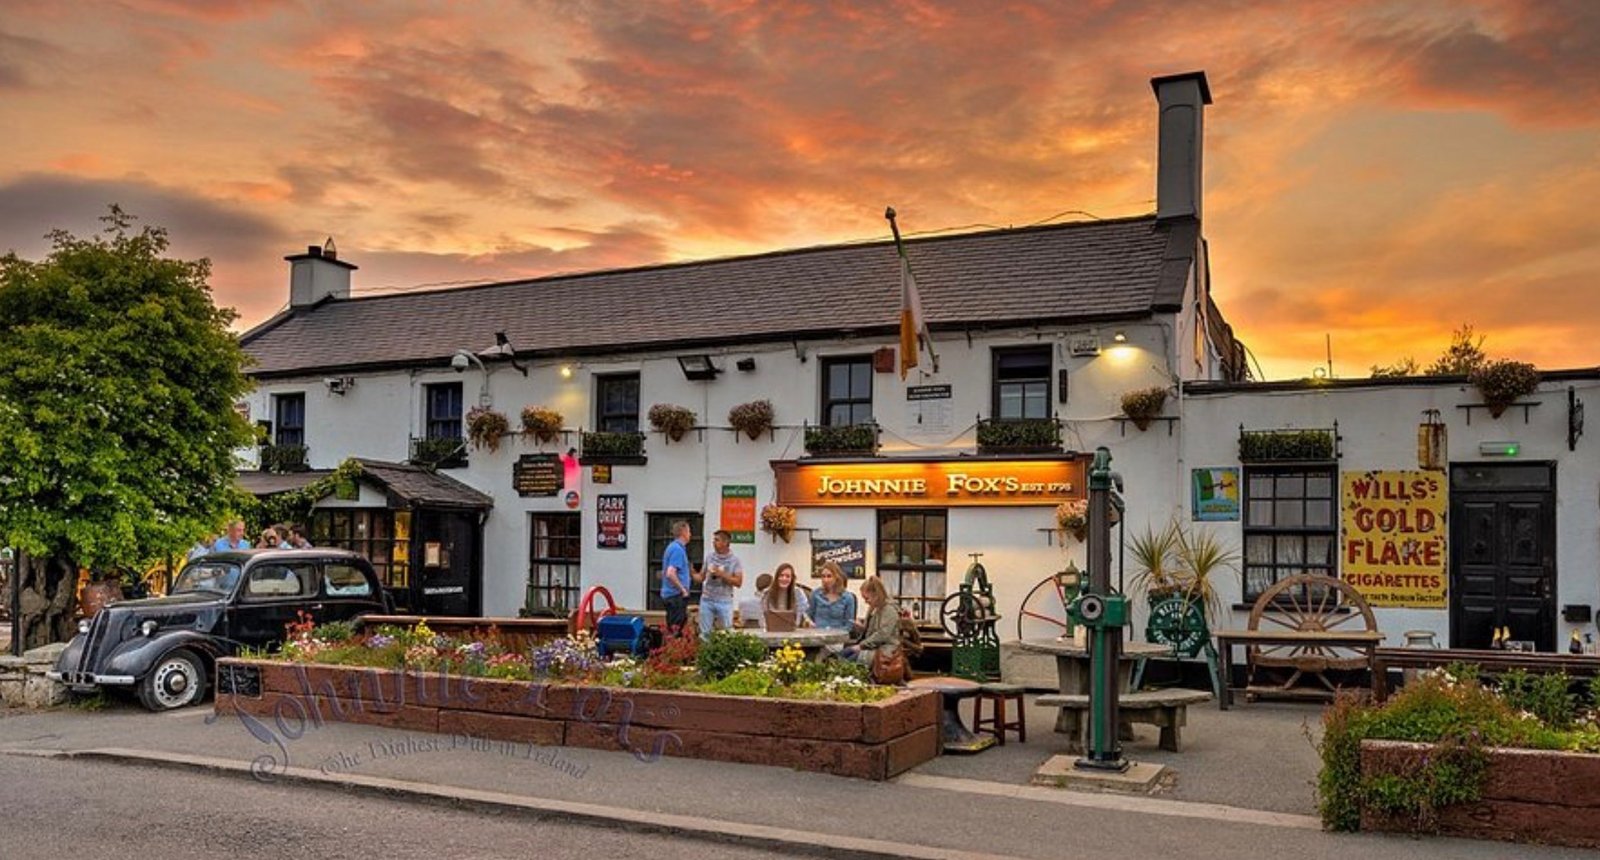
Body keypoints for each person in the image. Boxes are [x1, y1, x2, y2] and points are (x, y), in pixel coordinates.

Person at [842, 575, 901, 668]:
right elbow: (871, 632)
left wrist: (861, 646)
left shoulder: (889, 610)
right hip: (871, 646)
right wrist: (861, 628)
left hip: (885, 649)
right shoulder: (873, 608)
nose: (865, 601)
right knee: (841, 654)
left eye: (867, 598)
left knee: (848, 661)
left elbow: (882, 635)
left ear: (876, 595)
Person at [694, 529, 744, 636]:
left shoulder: (735, 560)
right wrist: (691, 573)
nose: (713, 542)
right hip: (707, 599)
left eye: (717, 540)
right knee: (705, 633)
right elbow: (701, 577)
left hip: (724, 601)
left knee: (727, 632)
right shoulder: (709, 557)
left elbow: (739, 582)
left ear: (725, 542)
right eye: (714, 540)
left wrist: (722, 574)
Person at [659, 520, 693, 635]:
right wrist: (682, 589)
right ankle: (673, 645)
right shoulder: (677, 550)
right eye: (689, 531)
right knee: (676, 630)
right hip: (675, 596)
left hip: (670, 595)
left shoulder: (672, 547)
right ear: (683, 532)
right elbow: (670, 573)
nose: (690, 535)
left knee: (673, 627)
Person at [807, 561, 857, 631]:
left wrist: (835, 633)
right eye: (823, 576)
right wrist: (809, 623)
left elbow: (849, 624)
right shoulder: (815, 594)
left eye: (829, 576)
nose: (825, 580)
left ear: (837, 577)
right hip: (818, 633)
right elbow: (809, 616)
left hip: (838, 634)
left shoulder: (848, 597)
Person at [761, 562, 810, 628]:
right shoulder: (767, 593)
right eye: (781, 575)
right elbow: (764, 616)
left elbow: (802, 613)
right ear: (776, 577)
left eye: (788, 576)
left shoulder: (798, 593)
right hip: (772, 629)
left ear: (792, 579)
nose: (784, 579)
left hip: (794, 629)